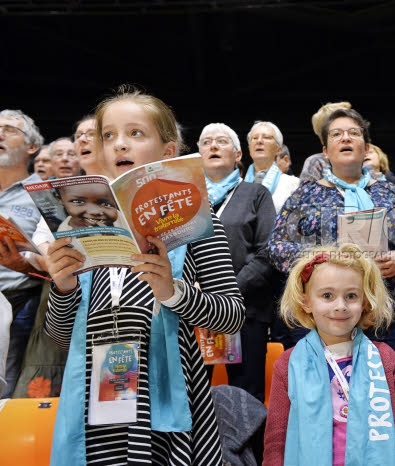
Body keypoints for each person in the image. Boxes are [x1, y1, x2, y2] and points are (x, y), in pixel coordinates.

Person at [43, 85, 246, 465]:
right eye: (109, 136)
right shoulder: (81, 225)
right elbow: (57, 335)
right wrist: (63, 286)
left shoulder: (198, 221)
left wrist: (173, 292)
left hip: (167, 409)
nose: (120, 145)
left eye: (135, 133)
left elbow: (231, 316)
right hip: (95, 406)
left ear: (168, 152)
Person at [268, 107, 395, 364]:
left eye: (353, 133)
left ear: (366, 148)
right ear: (325, 151)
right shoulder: (305, 195)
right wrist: (320, 260)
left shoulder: (392, 193)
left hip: (388, 318)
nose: (345, 138)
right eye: (336, 134)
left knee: (385, 395)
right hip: (321, 319)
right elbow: (277, 248)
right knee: (327, 398)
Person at [262, 243, 395, 465]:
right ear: (306, 301)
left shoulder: (385, 359)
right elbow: (275, 443)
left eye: (351, 296)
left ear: (365, 301)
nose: (340, 306)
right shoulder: (289, 363)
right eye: (327, 295)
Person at [199, 121, 280, 403]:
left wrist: (229, 289)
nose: (213, 146)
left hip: (246, 311)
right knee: (193, 397)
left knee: (247, 398)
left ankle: (251, 448)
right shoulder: (187, 198)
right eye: (206, 142)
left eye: (221, 141)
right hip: (195, 313)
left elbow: (267, 251)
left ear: (237, 155)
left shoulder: (256, 194)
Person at [0, 109, 45, 398]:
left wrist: (25, 263)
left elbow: (53, 255)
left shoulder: (43, 192)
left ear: (32, 147)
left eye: (9, 129)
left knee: (5, 391)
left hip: (16, 305)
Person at [245, 121, 299, 213]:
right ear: (249, 148)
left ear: (278, 149)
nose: (259, 141)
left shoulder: (294, 185)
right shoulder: (236, 186)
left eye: (266, 137)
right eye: (254, 138)